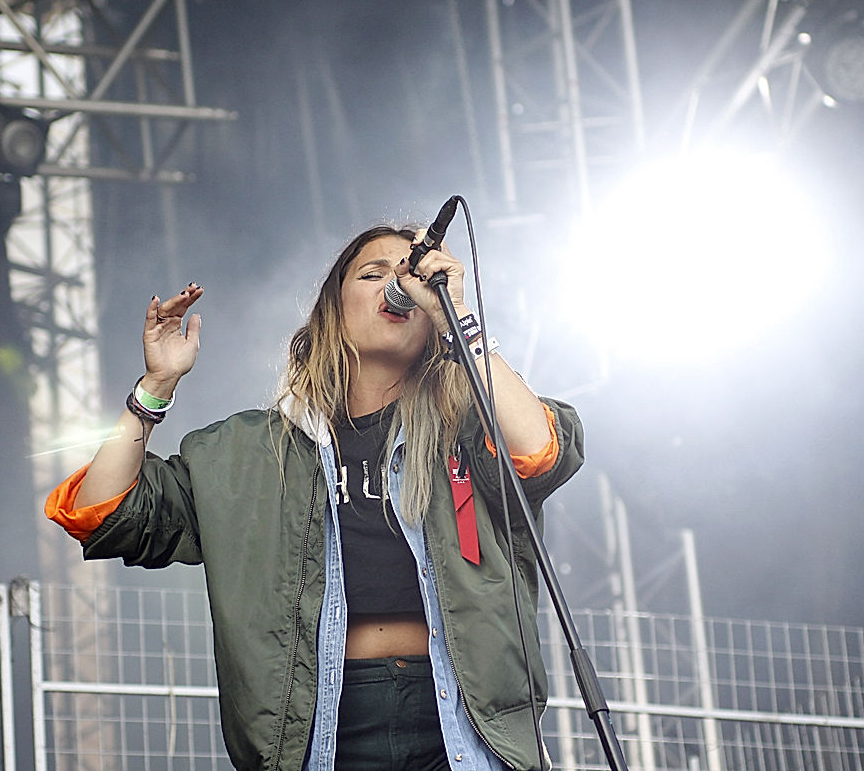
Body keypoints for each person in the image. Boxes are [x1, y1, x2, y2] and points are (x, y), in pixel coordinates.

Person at [45, 224, 584, 771]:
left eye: (411, 276)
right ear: (333, 310)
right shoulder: (251, 451)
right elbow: (104, 513)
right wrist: (155, 386)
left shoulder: (467, 425)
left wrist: (458, 321)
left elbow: (542, 451)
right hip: (322, 728)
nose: (397, 285)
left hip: (466, 728)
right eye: (373, 274)